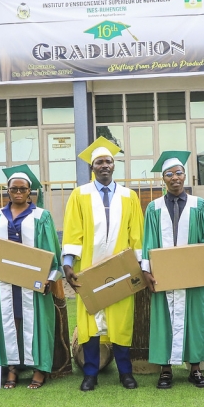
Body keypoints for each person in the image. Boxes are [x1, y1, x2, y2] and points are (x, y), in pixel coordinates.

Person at [61, 136, 145, 392]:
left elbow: (136, 234)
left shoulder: (129, 196)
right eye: (99, 162)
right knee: (91, 322)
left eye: (108, 161)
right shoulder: (80, 195)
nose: (104, 165)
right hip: (88, 268)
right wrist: (68, 264)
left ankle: (125, 373)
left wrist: (140, 265)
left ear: (114, 165)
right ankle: (90, 374)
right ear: (92, 167)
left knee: (120, 321)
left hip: (120, 269)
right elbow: (73, 230)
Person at [141, 151, 204, 389]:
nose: (175, 178)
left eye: (179, 173)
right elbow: (148, 240)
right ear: (163, 179)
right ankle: (165, 370)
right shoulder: (153, 208)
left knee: (195, 317)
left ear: (185, 175)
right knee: (163, 318)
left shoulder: (200, 205)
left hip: (192, 273)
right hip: (164, 274)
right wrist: (146, 270)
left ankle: (195, 369)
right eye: (169, 174)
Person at [0, 166, 61, 390]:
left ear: (29, 191)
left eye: (22, 189)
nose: (18, 192)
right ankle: (12, 369)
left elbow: (52, 251)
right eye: (13, 188)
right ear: (7, 191)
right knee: (9, 321)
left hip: (34, 281)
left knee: (36, 322)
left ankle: (39, 369)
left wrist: (49, 278)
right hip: (4, 281)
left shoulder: (41, 216)